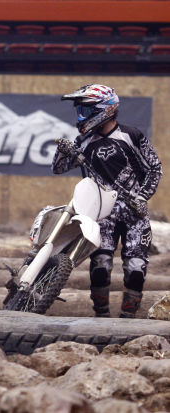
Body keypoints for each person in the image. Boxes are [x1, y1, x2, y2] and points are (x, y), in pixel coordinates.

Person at [52, 84, 162, 318]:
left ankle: (128, 319)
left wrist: (142, 197)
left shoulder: (131, 136)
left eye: (85, 110)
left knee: (136, 269)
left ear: (105, 110)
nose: (81, 116)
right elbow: (58, 168)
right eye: (79, 110)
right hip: (103, 214)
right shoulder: (82, 142)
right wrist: (63, 150)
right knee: (100, 265)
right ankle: (101, 316)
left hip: (135, 214)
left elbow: (154, 168)